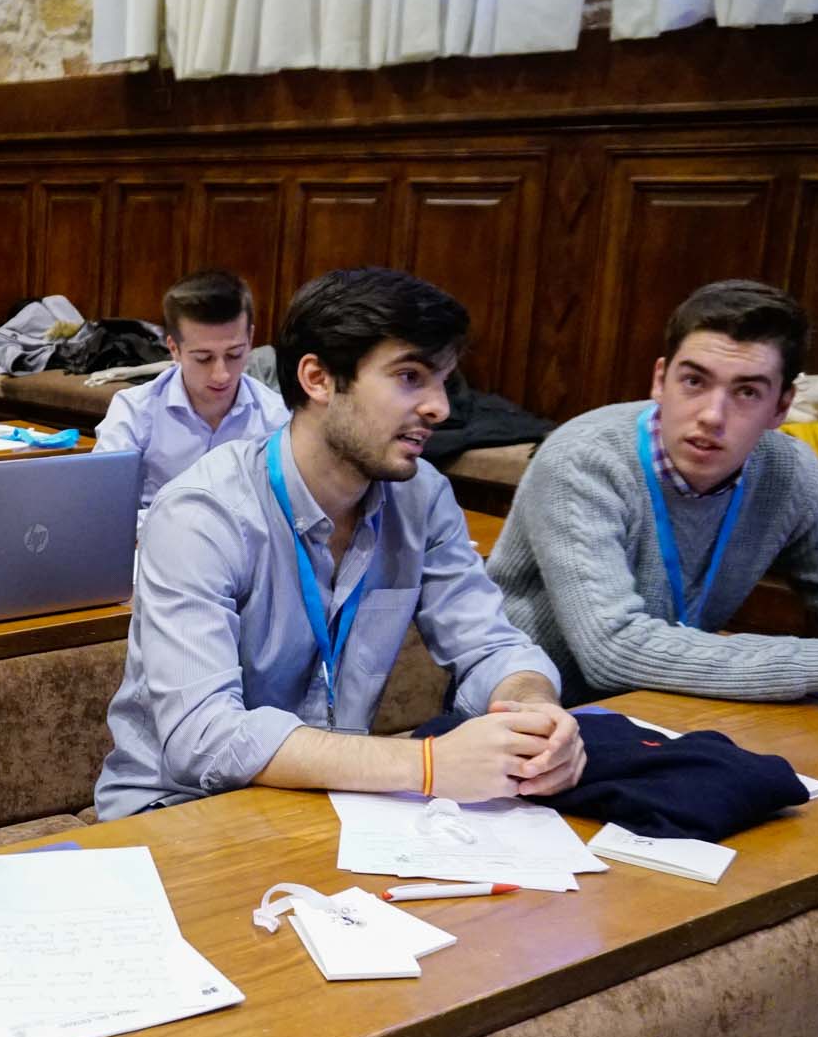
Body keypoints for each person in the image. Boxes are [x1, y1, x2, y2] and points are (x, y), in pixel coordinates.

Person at [94, 267, 584, 821]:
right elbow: (204, 736)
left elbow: (492, 646)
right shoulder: (202, 514)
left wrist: (534, 712)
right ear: (319, 379)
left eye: (441, 379)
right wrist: (424, 765)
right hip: (179, 810)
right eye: (409, 377)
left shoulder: (421, 497)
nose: (439, 407)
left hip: (332, 802)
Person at [489, 279, 818, 705]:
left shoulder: (788, 468)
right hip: (536, 710)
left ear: (782, 407)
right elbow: (612, 647)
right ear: (659, 380)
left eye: (746, 392)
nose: (712, 414)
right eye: (694, 381)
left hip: (673, 703)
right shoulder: (583, 460)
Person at [95, 269, 291, 512]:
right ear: (173, 349)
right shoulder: (135, 410)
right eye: (203, 358)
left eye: (234, 354)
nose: (222, 375)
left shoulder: (277, 417)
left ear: (250, 337)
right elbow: (103, 506)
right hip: (155, 543)